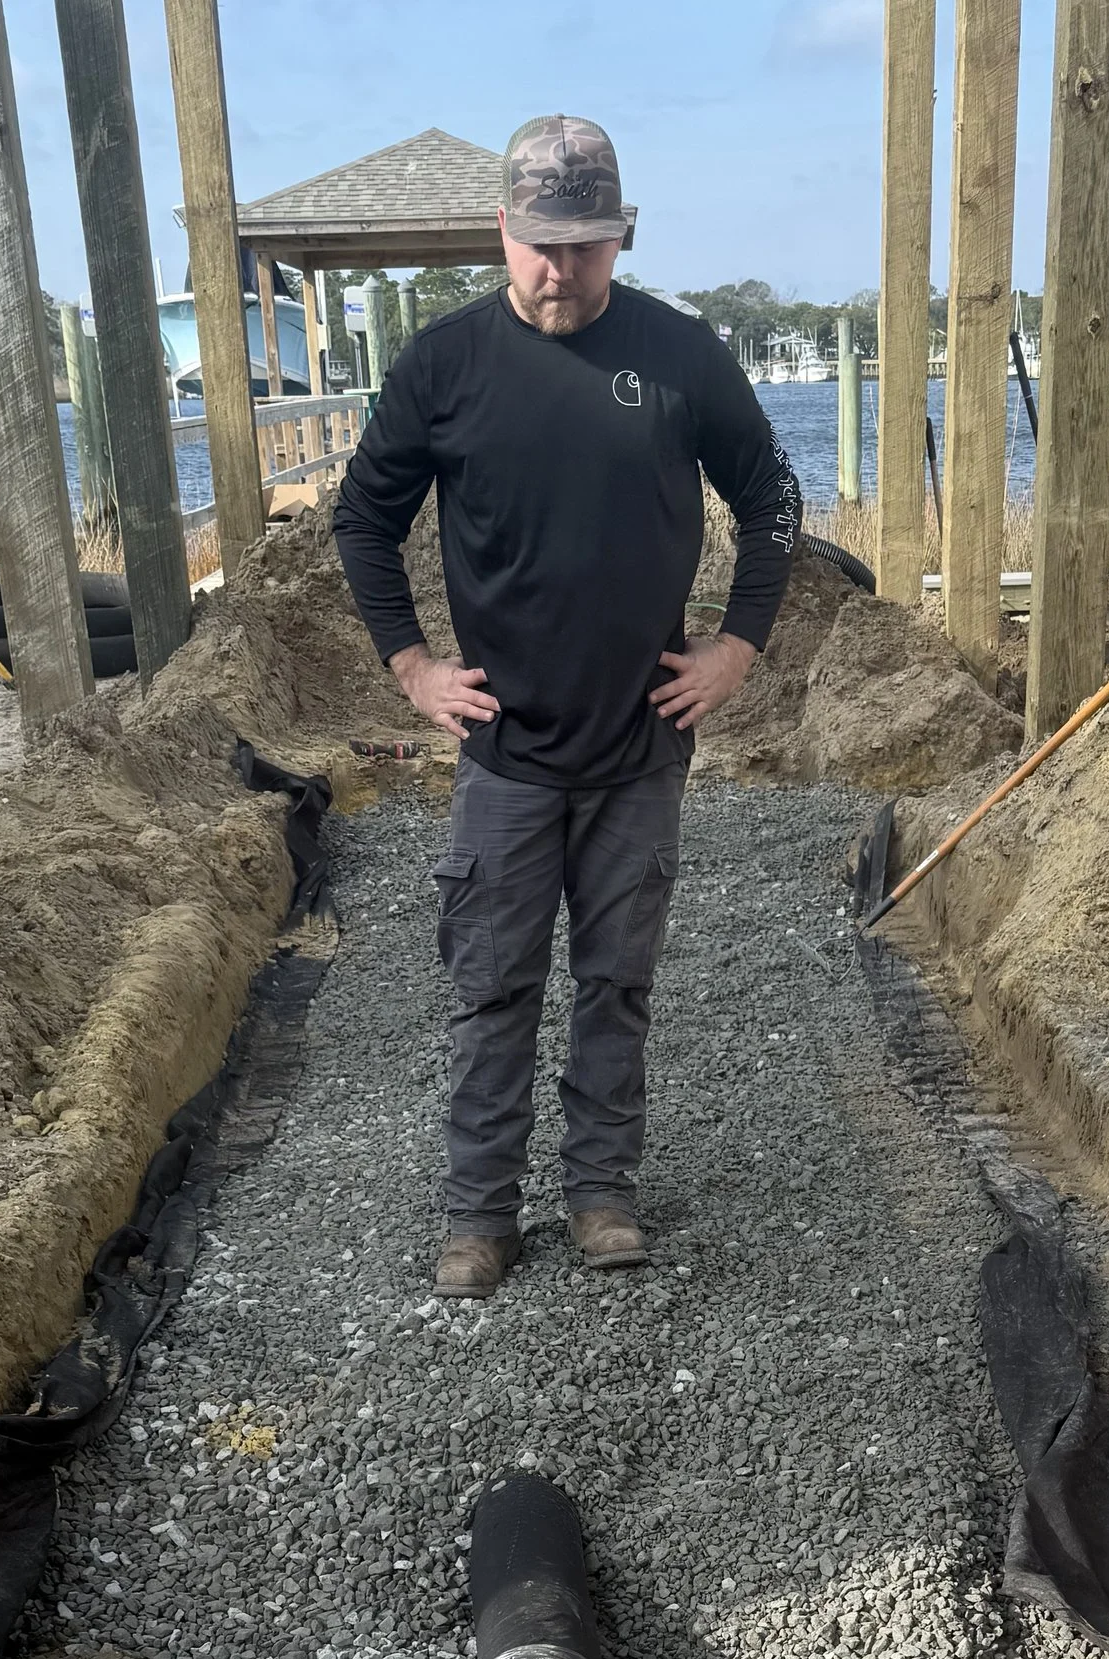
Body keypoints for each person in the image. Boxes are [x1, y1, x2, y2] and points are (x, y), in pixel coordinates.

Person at [332, 115, 802, 1300]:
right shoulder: (444, 367)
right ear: (504, 230)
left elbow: (773, 500)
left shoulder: (682, 355)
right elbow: (362, 520)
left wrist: (736, 650)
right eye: (541, 246)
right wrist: (411, 668)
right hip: (506, 754)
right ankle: (481, 1215)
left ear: (621, 236)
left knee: (617, 983)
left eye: (587, 247)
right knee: (492, 988)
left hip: (641, 748)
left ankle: (601, 1194)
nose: (561, 271)